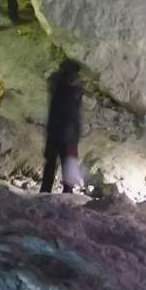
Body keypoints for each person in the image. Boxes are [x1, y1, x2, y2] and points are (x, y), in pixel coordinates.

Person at [41, 57, 85, 193]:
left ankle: (45, 190)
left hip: (55, 130)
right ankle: (67, 191)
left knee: (51, 163)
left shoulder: (56, 84)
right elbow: (74, 115)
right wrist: (76, 134)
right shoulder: (75, 89)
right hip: (68, 133)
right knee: (67, 162)